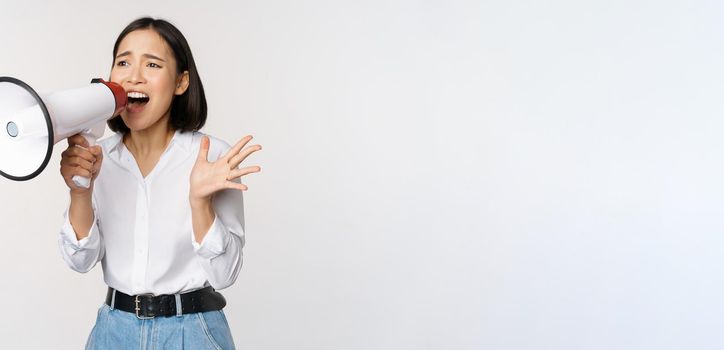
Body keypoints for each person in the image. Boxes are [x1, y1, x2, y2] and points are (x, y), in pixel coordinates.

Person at [57, 17, 261, 350]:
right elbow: (79, 261)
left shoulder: (210, 157)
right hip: (114, 331)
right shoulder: (98, 158)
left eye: (152, 64)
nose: (134, 75)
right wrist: (81, 193)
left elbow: (225, 275)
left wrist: (199, 202)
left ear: (181, 82)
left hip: (192, 332)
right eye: (123, 62)